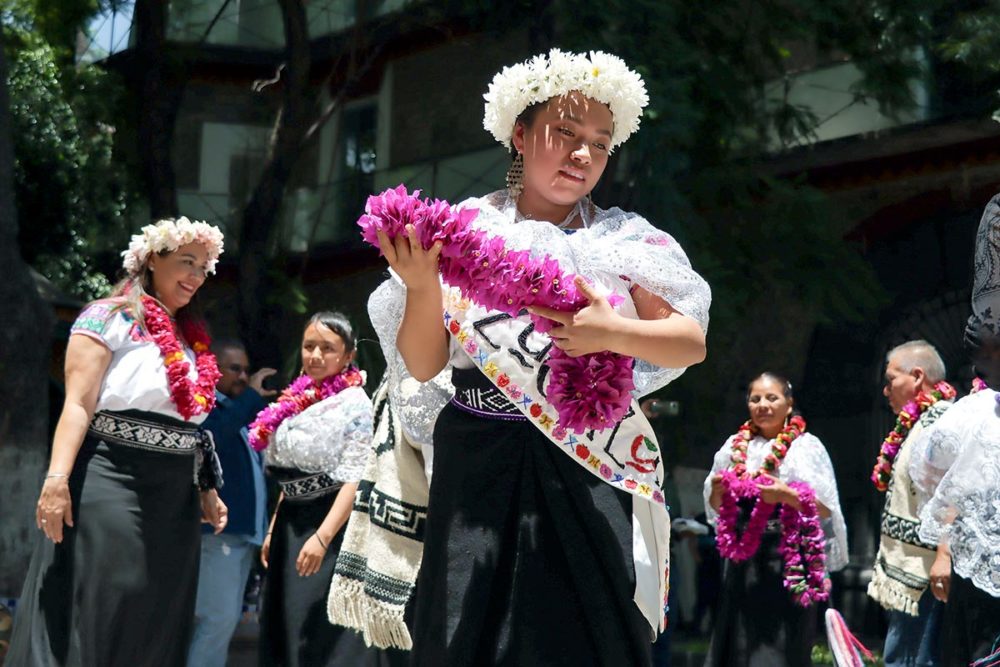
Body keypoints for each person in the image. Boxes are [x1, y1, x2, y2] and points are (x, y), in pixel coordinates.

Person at [367, 49, 711, 666]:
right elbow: (423, 364)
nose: (583, 154)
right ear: (520, 137)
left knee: (586, 635)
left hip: (586, 463)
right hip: (478, 457)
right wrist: (422, 284)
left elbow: (690, 339)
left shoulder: (625, 239)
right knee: (465, 631)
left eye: (600, 144)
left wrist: (612, 332)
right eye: (566, 133)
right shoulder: (463, 230)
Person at [8, 217, 229, 666]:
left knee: (158, 609)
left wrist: (206, 487)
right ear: (152, 259)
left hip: (174, 495)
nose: (195, 276)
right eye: (186, 262)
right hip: (113, 478)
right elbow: (77, 404)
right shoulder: (107, 316)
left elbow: (187, 423)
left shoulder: (191, 337)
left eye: (203, 267)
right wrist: (56, 480)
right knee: (110, 603)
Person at [252, 312, 381, 666]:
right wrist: (273, 527)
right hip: (291, 524)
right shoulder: (298, 398)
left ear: (348, 355)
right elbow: (291, 473)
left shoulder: (354, 403)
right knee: (284, 625)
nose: (316, 356)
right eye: (309, 346)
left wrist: (322, 538)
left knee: (319, 631)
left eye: (328, 348)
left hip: (330, 525)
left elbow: (356, 475)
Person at [702, 372, 848, 667]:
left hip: (789, 562)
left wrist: (787, 495)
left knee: (784, 650)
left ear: (789, 404)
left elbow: (826, 509)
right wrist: (716, 492)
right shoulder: (733, 447)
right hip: (745, 564)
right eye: (755, 399)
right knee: (738, 650)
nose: (762, 405)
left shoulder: (807, 447)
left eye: (772, 397)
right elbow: (716, 509)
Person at [187, 340, 277, 667]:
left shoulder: (241, 413)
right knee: (216, 622)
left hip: (241, 535)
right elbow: (211, 438)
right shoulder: (209, 407)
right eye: (234, 368)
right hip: (218, 535)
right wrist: (252, 397)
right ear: (215, 370)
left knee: (222, 624)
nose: (243, 376)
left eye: (246, 369)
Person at [866, 341, 953, 667]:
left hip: (928, 574)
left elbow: (954, 491)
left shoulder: (940, 421)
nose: (886, 391)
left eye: (891, 380)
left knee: (914, 660)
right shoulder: (919, 421)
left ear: (917, 377)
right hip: (911, 574)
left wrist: (944, 555)